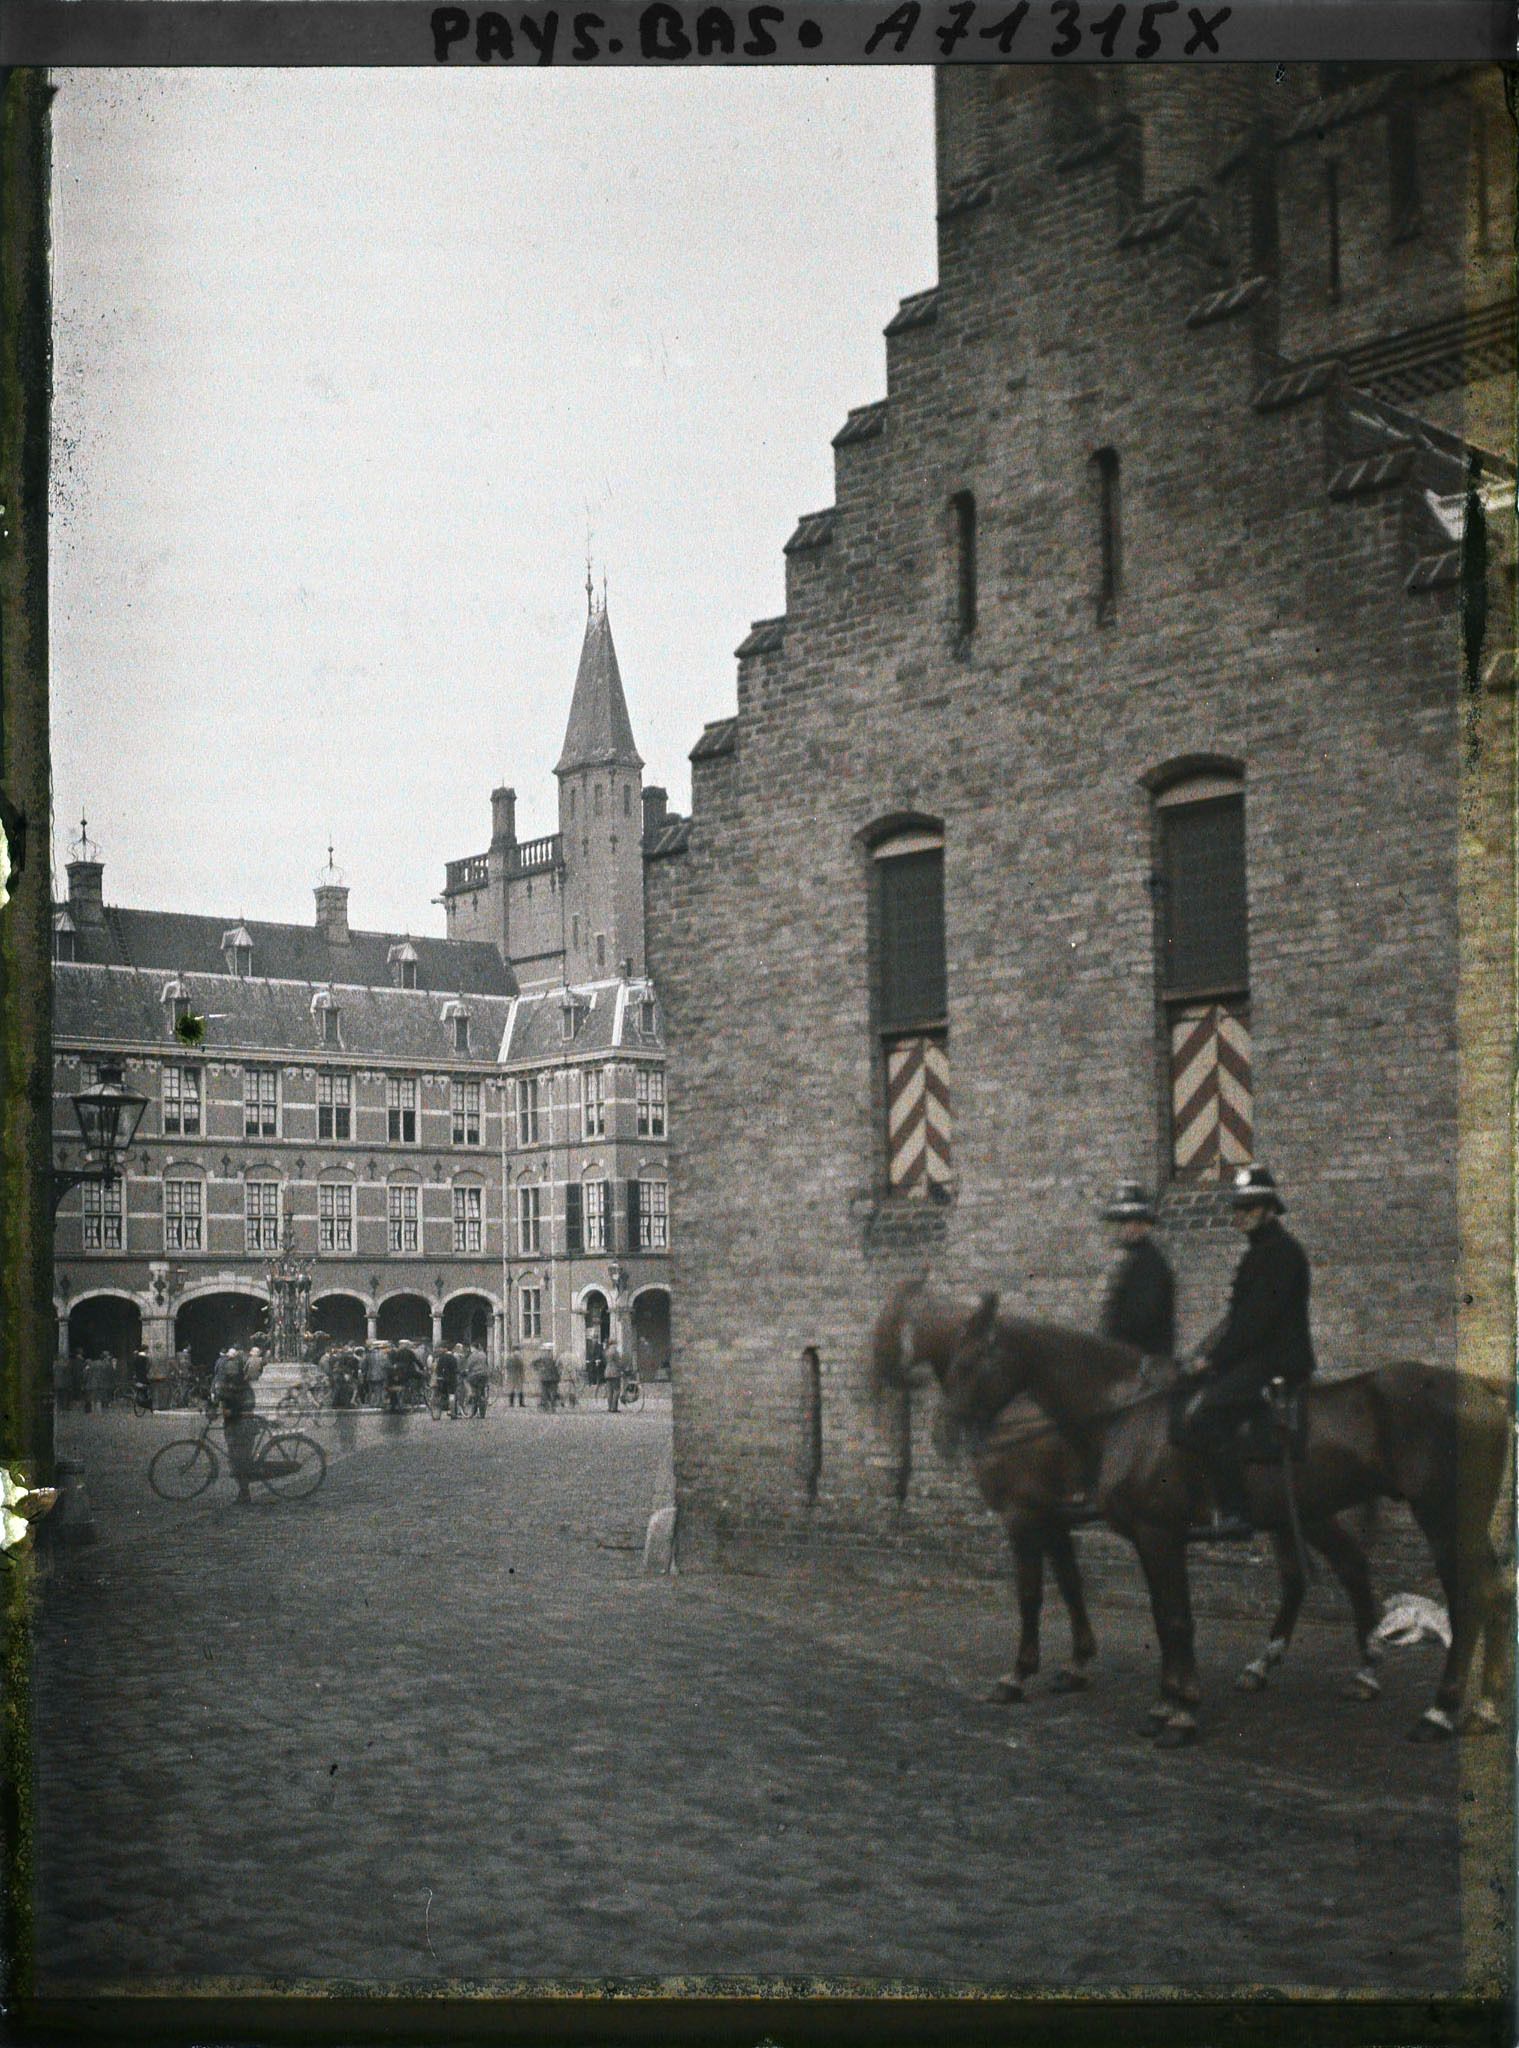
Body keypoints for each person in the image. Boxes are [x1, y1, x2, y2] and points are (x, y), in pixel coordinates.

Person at [1180, 1164, 1317, 1540]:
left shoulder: (1281, 1253)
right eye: (1238, 1207)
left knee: (1208, 1413)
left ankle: (1236, 1512)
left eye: (1249, 1207)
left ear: (1270, 1209)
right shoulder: (1260, 1252)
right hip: (1258, 1357)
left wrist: (1214, 1360)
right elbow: (1237, 1319)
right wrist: (1201, 1352)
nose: (1240, 1215)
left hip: (1277, 1360)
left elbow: (1256, 1323)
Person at [1098, 1182, 1175, 1357]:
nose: (1122, 1228)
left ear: (1141, 1225)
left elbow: (1140, 1318)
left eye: (1126, 1221)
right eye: (1120, 1222)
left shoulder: (1150, 1264)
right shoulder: (1136, 1259)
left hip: (1143, 1358)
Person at [210, 1348, 261, 1504]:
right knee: (236, 1457)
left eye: (232, 1369)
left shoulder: (241, 1386)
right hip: (234, 1424)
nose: (230, 1371)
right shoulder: (232, 1384)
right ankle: (243, 1490)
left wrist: (232, 1411)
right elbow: (221, 1396)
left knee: (239, 1459)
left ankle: (244, 1493)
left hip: (242, 1425)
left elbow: (247, 1404)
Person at [432, 1343, 459, 1419]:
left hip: (442, 1379)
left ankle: (438, 1414)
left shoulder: (441, 1358)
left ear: (445, 1349)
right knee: (452, 1394)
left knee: (441, 1395)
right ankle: (453, 1412)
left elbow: (438, 1369)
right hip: (451, 1379)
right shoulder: (453, 1358)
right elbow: (456, 1369)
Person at [463, 1344, 490, 1418]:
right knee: (482, 1390)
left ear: (473, 1348)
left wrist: (466, 1371)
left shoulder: (472, 1356)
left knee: (469, 1384)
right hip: (484, 1375)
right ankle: (482, 1408)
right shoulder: (483, 1354)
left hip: (475, 1375)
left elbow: (469, 1366)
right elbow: (486, 1364)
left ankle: (471, 1394)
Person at [603, 1339, 625, 1415]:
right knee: (617, 1390)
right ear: (614, 1344)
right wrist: (622, 1369)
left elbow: (606, 1361)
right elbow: (618, 1362)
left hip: (607, 1372)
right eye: (616, 1344)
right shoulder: (615, 1352)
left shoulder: (607, 1351)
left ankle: (609, 1407)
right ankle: (614, 1408)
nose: (616, 1345)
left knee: (610, 1391)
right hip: (614, 1373)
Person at [505, 1346, 527, 1410]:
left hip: (511, 1375)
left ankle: (511, 1403)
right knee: (520, 1389)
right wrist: (522, 1376)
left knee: (511, 1389)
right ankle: (521, 1403)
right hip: (518, 1375)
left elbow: (507, 1366)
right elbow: (521, 1367)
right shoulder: (519, 1357)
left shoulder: (509, 1357)